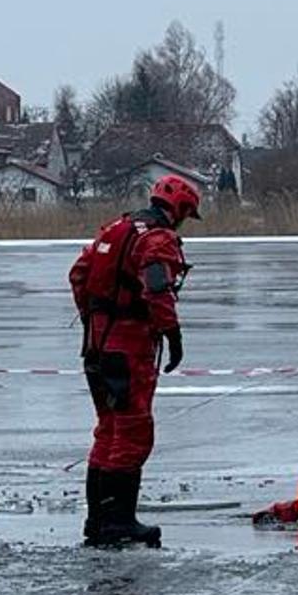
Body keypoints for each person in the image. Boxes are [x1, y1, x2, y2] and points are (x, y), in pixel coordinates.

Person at [69, 175, 199, 548]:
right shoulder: (156, 238)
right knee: (132, 432)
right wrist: (171, 334)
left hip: (96, 346)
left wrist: (93, 317)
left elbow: (78, 274)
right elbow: (157, 287)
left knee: (107, 430)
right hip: (128, 348)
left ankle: (98, 520)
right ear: (181, 210)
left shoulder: (115, 228)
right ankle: (119, 522)